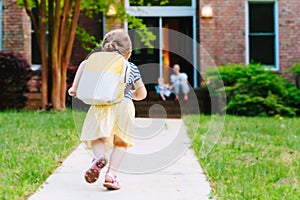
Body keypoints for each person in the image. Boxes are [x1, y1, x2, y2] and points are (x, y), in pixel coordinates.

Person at [68, 29, 147, 190]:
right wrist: (133, 95)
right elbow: (142, 93)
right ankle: (111, 175)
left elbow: (81, 73)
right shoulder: (131, 67)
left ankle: (99, 157)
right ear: (128, 53)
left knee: (96, 137)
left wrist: (74, 88)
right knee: (121, 143)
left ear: (105, 49)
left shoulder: (92, 63)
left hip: (99, 107)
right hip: (123, 107)